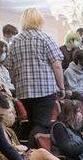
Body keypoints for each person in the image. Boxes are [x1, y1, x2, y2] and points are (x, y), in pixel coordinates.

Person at [7, 8, 65, 138]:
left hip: (24, 90)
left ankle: (32, 152)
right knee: (42, 125)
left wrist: (17, 84)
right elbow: (56, 65)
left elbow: (9, 67)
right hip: (45, 89)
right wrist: (61, 87)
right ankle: (36, 153)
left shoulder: (15, 41)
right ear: (40, 21)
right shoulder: (45, 38)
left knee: (33, 122)